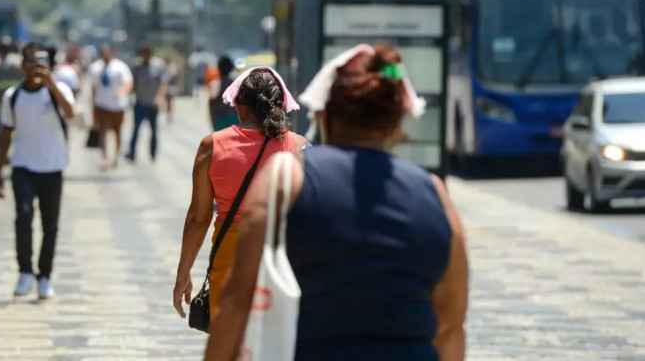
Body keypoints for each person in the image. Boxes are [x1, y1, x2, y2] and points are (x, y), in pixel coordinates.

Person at [203, 45, 468, 361]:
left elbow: (235, 302)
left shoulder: (285, 181)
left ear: (325, 116)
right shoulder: (435, 195)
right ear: (398, 124)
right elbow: (450, 326)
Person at [173, 67, 308, 322]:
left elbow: (198, 219)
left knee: (230, 344)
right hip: (282, 262)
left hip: (230, 261)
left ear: (239, 104)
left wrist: (183, 274)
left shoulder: (211, 146)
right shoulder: (300, 147)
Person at [0, 45, 76, 300]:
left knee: (49, 225)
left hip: (52, 167)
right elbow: (5, 134)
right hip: (23, 166)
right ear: (23, 66)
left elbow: (71, 113)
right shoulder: (13, 96)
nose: (37, 67)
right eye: (32, 62)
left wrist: (51, 83)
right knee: (23, 216)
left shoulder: (58, 90)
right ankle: (25, 272)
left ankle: (45, 276)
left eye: (42, 62)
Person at [89, 44, 133, 169]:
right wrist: (93, 106)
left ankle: (116, 155)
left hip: (117, 106)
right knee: (103, 131)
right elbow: (93, 88)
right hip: (102, 105)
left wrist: (122, 92)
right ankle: (104, 157)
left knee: (117, 131)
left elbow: (128, 82)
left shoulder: (120, 67)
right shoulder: (95, 68)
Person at [126, 47, 167, 163]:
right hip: (140, 103)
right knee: (136, 129)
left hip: (152, 104)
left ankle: (153, 153)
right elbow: (133, 83)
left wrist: (159, 98)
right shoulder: (136, 66)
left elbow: (163, 84)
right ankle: (132, 153)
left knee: (153, 131)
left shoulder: (158, 65)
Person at [208, 56, 241, 131]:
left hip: (220, 122)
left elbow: (212, 102)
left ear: (218, 68)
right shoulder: (236, 84)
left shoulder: (215, 85)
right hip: (235, 121)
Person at [164, 58, 180, 123]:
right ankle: (168, 113)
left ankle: (169, 113)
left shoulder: (172, 68)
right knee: (167, 101)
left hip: (171, 86)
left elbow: (175, 76)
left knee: (169, 101)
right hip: (165, 86)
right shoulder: (163, 67)